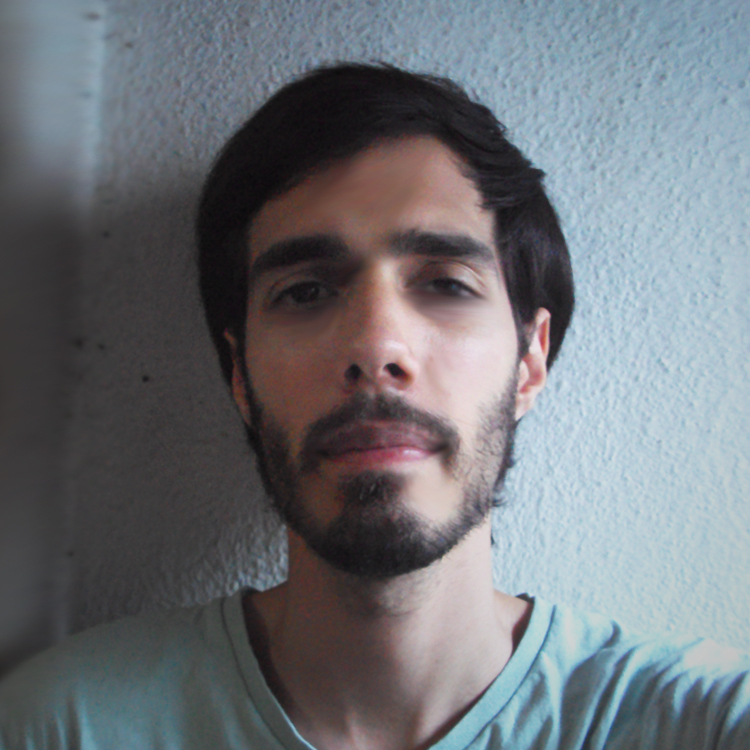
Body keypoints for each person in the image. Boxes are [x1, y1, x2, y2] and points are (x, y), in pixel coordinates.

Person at [1, 62, 748, 750]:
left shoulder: (703, 723)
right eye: (305, 292)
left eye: (446, 283)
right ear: (240, 377)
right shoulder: (61, 727)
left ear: (529, 361)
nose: (376, 346)